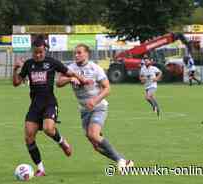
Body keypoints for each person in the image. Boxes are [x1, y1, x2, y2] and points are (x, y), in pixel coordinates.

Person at [12, 36, 92, 177]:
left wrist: (83, 79)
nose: (38, 55)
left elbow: (70, 72)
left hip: (49, 103)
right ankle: (41, 169)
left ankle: (62, 142)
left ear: (45, 50)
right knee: (29, 137)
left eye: (41, 52)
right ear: (32, 51)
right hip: (34, 106)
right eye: (35, 52)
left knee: (49, 129)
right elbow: (16, 82)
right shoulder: (28, 64)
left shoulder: (52, 62)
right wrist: (15, 70)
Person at [56, 44, 133, 173]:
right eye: (75, 53)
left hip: (98, 107)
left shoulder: (95, 68)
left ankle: (120, 160)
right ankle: (124, 161)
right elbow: (58, 83)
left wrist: (95, 100)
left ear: (87, 54)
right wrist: (70, 79)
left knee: (93, 134)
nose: (76, 55)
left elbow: (107, 88)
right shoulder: (71, 68)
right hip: (84, 110)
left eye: (79, 52)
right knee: (96, 146)